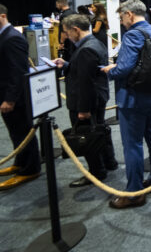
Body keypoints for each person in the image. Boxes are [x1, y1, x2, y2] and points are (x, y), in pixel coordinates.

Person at [102, 0, 151, 209]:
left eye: (121, 17)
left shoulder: (132, 35)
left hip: (133, 99)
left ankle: (134, 193)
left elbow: (123, 68)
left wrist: (110, 70)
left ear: (129, 14)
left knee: (133, 145)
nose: (122, 22)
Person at [53, 14, 118, 187]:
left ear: (75, 30)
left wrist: (83, 109)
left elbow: (86, 82)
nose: (66, 36)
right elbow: (88, 71)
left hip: (87, 100)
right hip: (98, 96)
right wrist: (67, 65)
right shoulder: (95, 43)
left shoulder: (85, 49)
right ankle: (109, 162)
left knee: (88, 136)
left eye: (67, 32)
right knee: (100, 130)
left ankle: (97, 172)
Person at [0, 2, 41, 191]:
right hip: (4, 96)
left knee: (23, 132)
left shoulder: (12, 38)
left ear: (2, 16)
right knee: (16, 132)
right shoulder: (2, 36)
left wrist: (10, 99)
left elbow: (18, 72)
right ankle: (21, 162)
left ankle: (30, 169)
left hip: (15, 99)